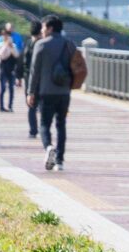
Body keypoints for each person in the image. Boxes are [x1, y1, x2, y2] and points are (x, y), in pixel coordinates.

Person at [25, 16, 86, 171]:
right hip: (64, 91)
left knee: (44, 124)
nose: (42, 30)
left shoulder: (41, 45)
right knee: (61, 125)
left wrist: (31, 92)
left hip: (46, 91)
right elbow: (77, 65)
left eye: (44, 27)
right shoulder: (69, 44)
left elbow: (34, 71)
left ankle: (48, 147)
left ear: (50, 28)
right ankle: (59, 161)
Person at [0, 22, 26, 114]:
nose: (6, 37)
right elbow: (1, 56)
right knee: (3, 88)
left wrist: (11, 47)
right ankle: (1, 106)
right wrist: (6, 46)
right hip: (3, 68)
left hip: (11, 69)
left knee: (11, 88)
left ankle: (10, 106)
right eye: (4, 35)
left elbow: (16, 55)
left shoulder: (13, 45)